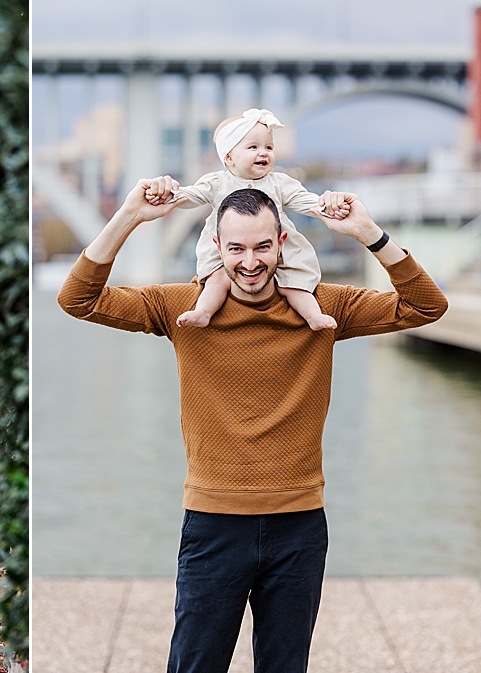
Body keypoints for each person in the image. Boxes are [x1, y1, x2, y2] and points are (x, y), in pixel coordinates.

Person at [58, 180, 447, 673]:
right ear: (216, 246)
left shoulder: (325, 308)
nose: (249, 261)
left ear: (282, 243)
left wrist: (369, 234)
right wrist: (128, 217)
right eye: (236, 247)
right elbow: (78, 300)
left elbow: (427, 306)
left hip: (299, 526)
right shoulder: (183, 308)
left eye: (262, 246)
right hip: (213, 525)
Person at [145, 108, 346, 331]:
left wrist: (327, 205)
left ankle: (313, 316)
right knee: (217, 279)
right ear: (229, 158)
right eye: (253, 147)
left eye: (269, 147)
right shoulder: (217, 182)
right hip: (230, 247)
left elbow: (304, 201)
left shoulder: (279, 182)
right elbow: (192, 196)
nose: (264, 153)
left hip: (276, 245)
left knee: (294, 282)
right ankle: (203, 312)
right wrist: (170, 194)